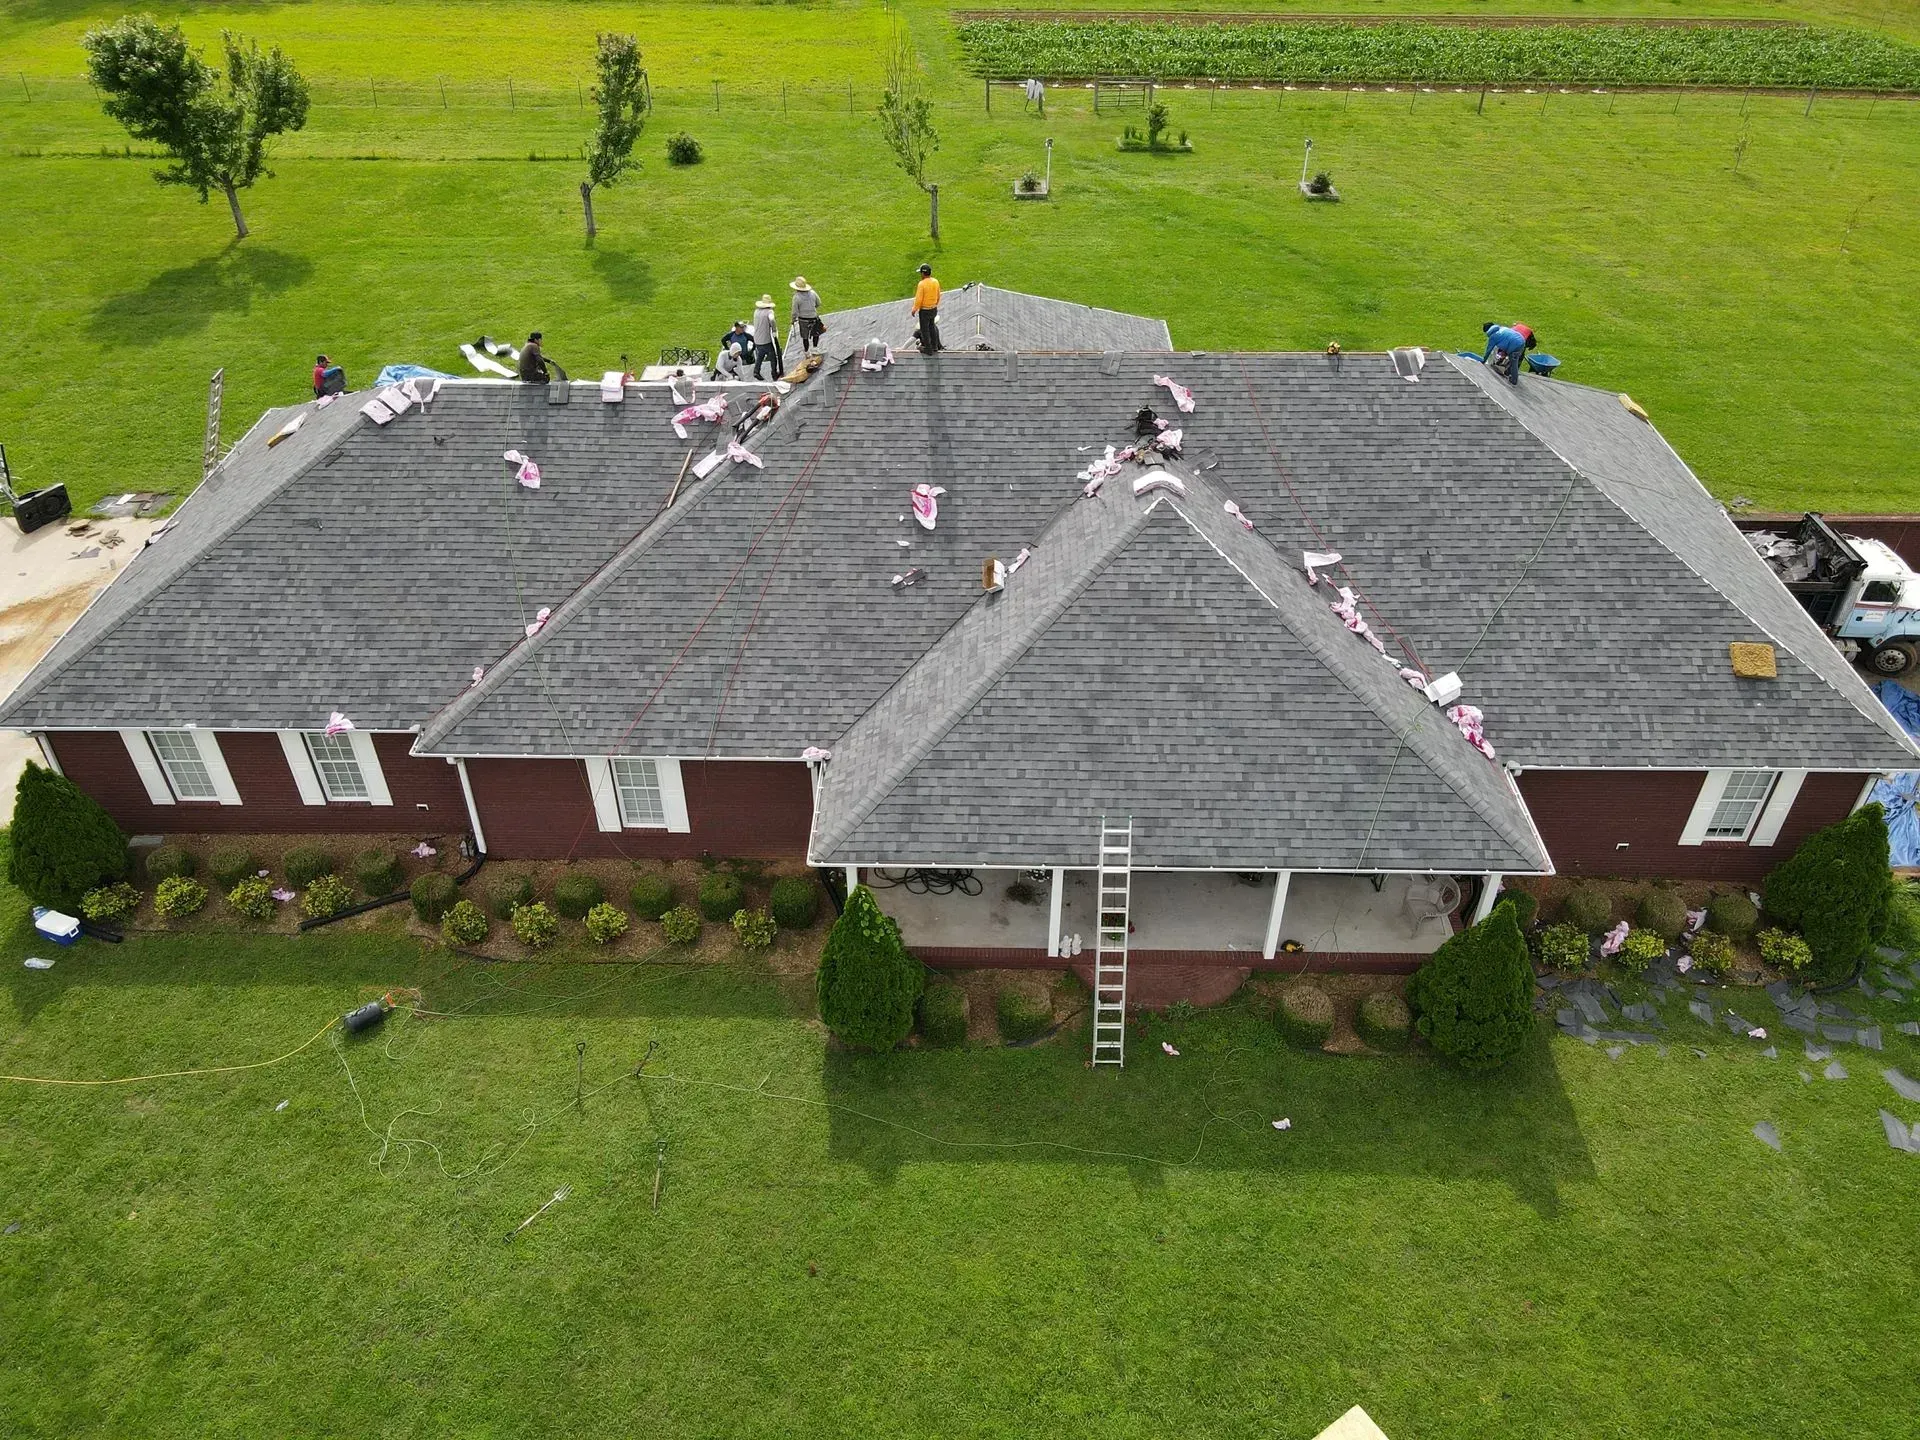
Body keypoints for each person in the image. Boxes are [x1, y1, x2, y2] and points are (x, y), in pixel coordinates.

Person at [911, 263, 942, 355]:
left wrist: (914, 309)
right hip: (933, 309)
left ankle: (928, 349)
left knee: (924, 330)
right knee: (932, 326)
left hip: (925, 311)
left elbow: (919, 299)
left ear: (923, 274)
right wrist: (935, 304)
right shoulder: (935, 281)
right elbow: (938, 295)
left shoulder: (922, 284)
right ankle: (935, 346)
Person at [790, 276, 824, 357]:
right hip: (814, 317)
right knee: (816, 333)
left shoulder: (796, 297)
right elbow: (818, 303)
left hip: (803, 320)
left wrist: (793, 319)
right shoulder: (813, 293)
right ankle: (815, 348)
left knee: (805, 336)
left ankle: (807, 352)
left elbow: (794, 311)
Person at [751, 294, 779, 380]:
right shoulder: (769, 312)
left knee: (761, 354)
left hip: (757, 338)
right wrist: (774, 330)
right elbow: (772, 320)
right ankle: (774, 373)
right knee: (773, 357)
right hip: (765, 339)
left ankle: (756, 370)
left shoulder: (756, 311)